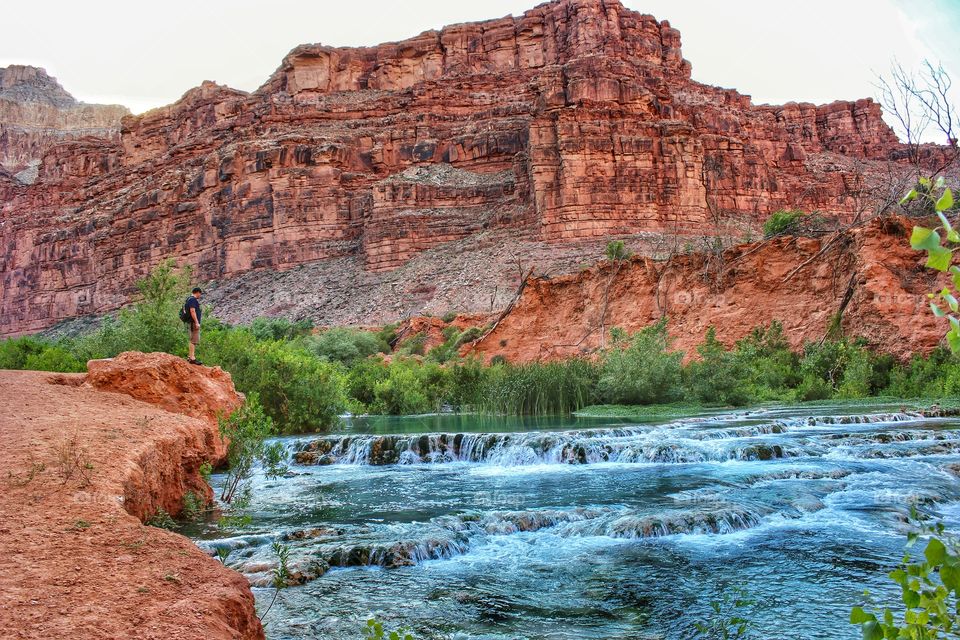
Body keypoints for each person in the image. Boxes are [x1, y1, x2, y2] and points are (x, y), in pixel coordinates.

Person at [184, 287, 203, 365]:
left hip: (191, 322)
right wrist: (196, 322)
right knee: (193, 340)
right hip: (193, 323)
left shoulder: (189, 299)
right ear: (197, 292)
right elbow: (192, 311)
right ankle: (192, 358)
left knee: (193, 340)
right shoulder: (192, 299)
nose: (200, 296)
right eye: (200, 294)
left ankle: (190, 356)